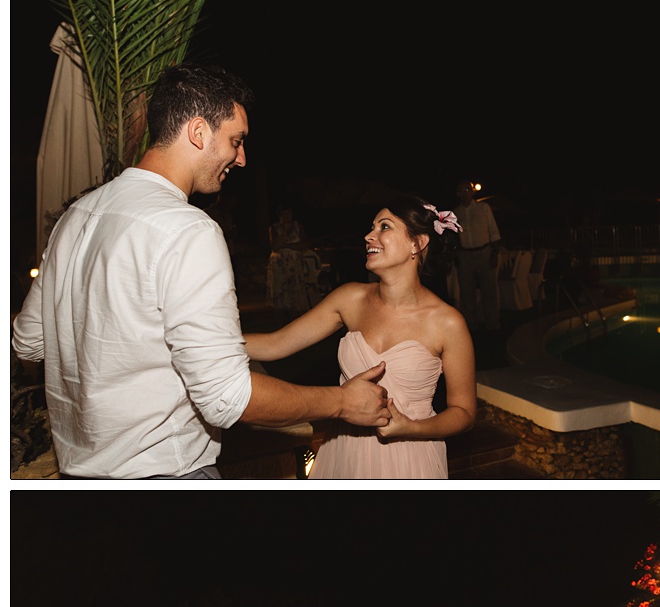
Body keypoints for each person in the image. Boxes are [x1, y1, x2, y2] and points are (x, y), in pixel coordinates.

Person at [11, 64, 391, 479]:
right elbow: (226, 397)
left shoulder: (75, 217)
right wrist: (342, 402)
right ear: (198, 132)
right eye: (236, 140)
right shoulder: (186, 228)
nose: (242, 158)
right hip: (164, 474)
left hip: (78, 476)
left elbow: (29, 341)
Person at [244, 196, 476, 479]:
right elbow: (275, 344)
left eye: (385, 227)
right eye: (372, 227)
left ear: (417, 243)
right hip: (345, 448)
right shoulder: (349, 299)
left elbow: (463, 412)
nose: (369, 236)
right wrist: (199, 342)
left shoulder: (448, 323)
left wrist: (410, 428)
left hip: (409, 456)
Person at [451, 181, 503, 328]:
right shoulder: (455, 212)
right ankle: (470, 326)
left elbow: (493, 230)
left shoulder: (483, 208)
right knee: (467, 293)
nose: (465, 192)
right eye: (461, 190)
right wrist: (456, 255)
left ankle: (493, 325)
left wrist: (494, 252)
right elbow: (454, 236)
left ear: (472, 192)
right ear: (458, 194)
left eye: (467, 189)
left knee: (489, 291)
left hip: (484, 253)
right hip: (465, 255)